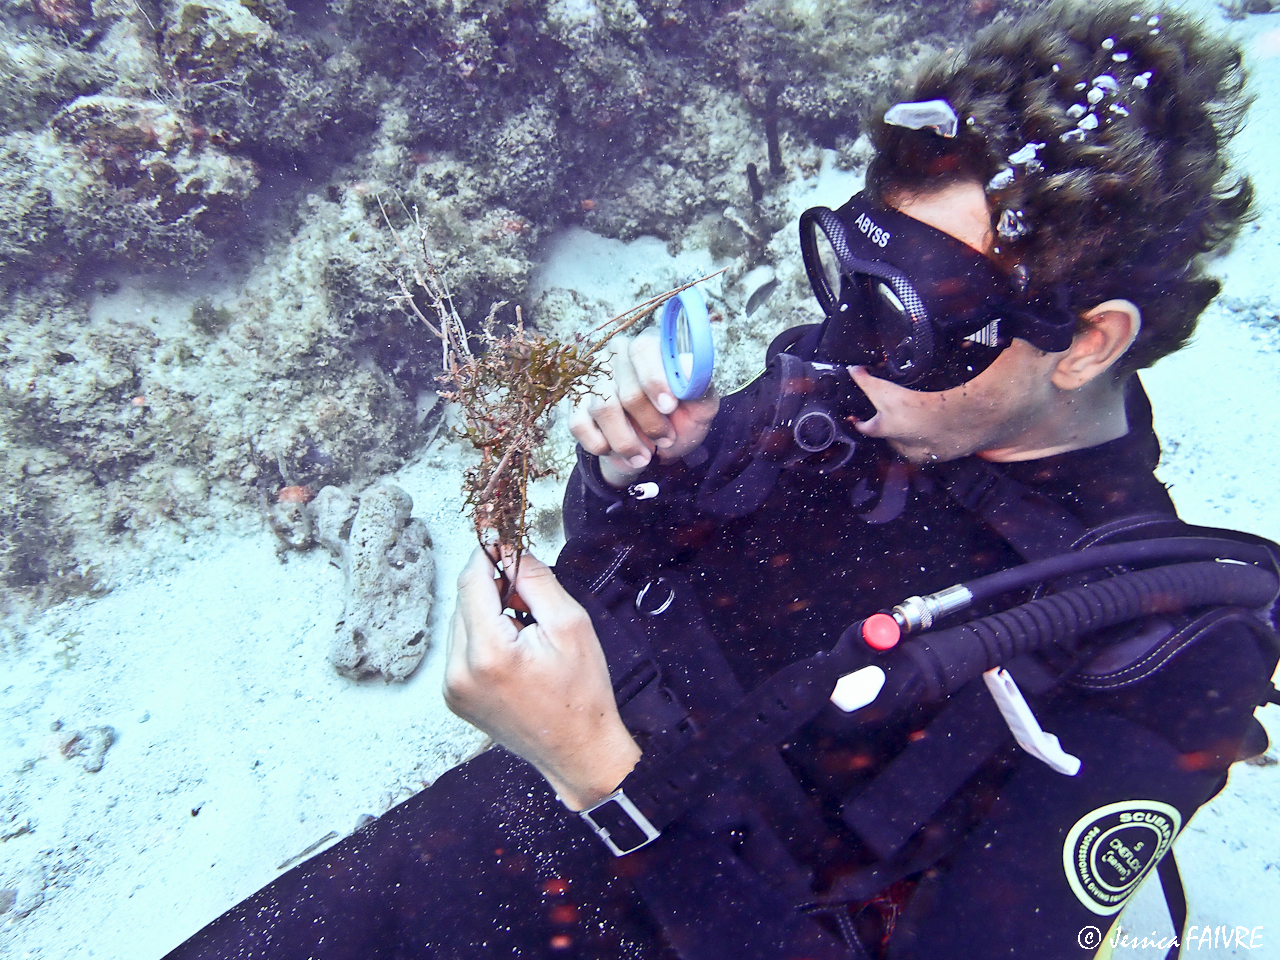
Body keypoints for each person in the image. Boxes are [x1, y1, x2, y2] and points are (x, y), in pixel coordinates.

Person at [165, 3, 1279, 958]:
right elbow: (609, 587)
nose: (842, 346)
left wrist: (602, 777)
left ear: (1084, 342)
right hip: (527, 816)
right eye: (852, 275)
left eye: (907, 316)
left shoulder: (1161, 649)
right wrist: (632, 477)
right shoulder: (846, 390)